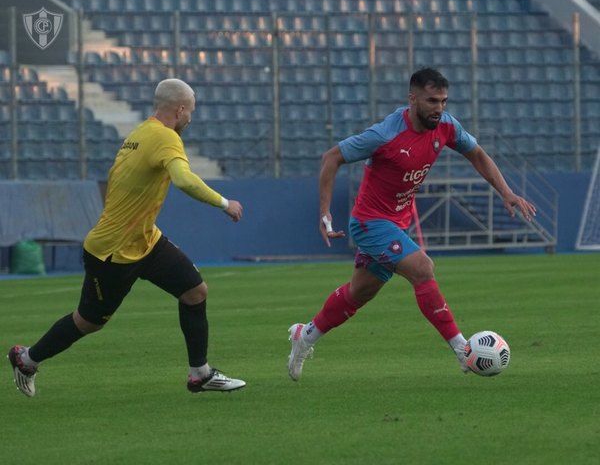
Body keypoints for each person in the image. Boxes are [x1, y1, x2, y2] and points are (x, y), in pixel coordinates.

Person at [287, 67, 536, 381]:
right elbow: (331, 157)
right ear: (412, 98)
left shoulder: (446, 126)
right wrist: (325, 213)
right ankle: (463, 350)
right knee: (422, 267)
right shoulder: (385, 134)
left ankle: (304, 336)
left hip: (396, 223)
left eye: (444, 101)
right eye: (432, 100)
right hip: (369, 222)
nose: (439, 108)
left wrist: (507, 192)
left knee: (359, 293)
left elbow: (477, 154)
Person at [8, 78, 246, 397]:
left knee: (195, 291)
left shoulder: (141, 133)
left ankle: (199, 374)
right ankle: (26, 359)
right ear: (180, 110)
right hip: (113, 251)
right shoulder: (165, 138)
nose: (191, 117)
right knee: (89, 321)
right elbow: (183, 179)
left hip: (145, 241)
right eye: (191, 111)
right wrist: (223, 203)